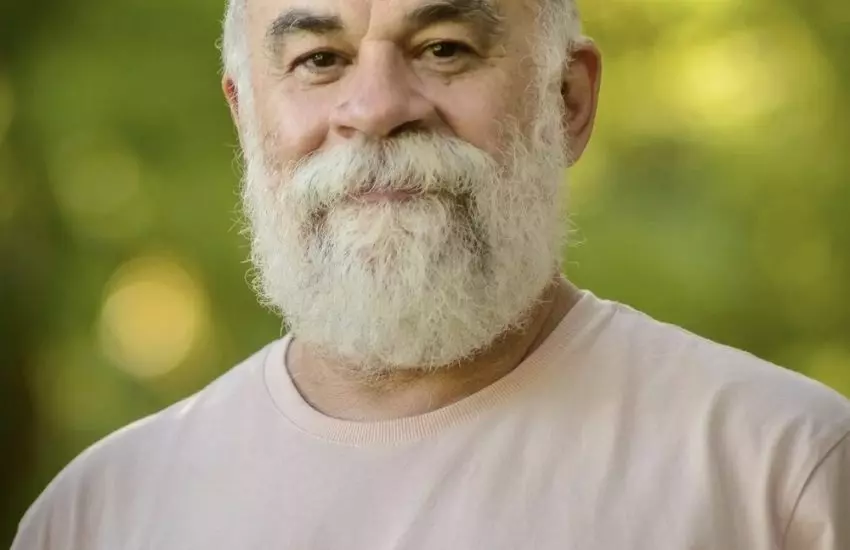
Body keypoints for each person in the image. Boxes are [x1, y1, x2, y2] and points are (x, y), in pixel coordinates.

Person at [12, 0, 850, 547]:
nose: (376, 108)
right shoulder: (100, 516)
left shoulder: (786, 472)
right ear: (245, 112)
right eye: (317, 60)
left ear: (569, 101)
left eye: (444, 48)